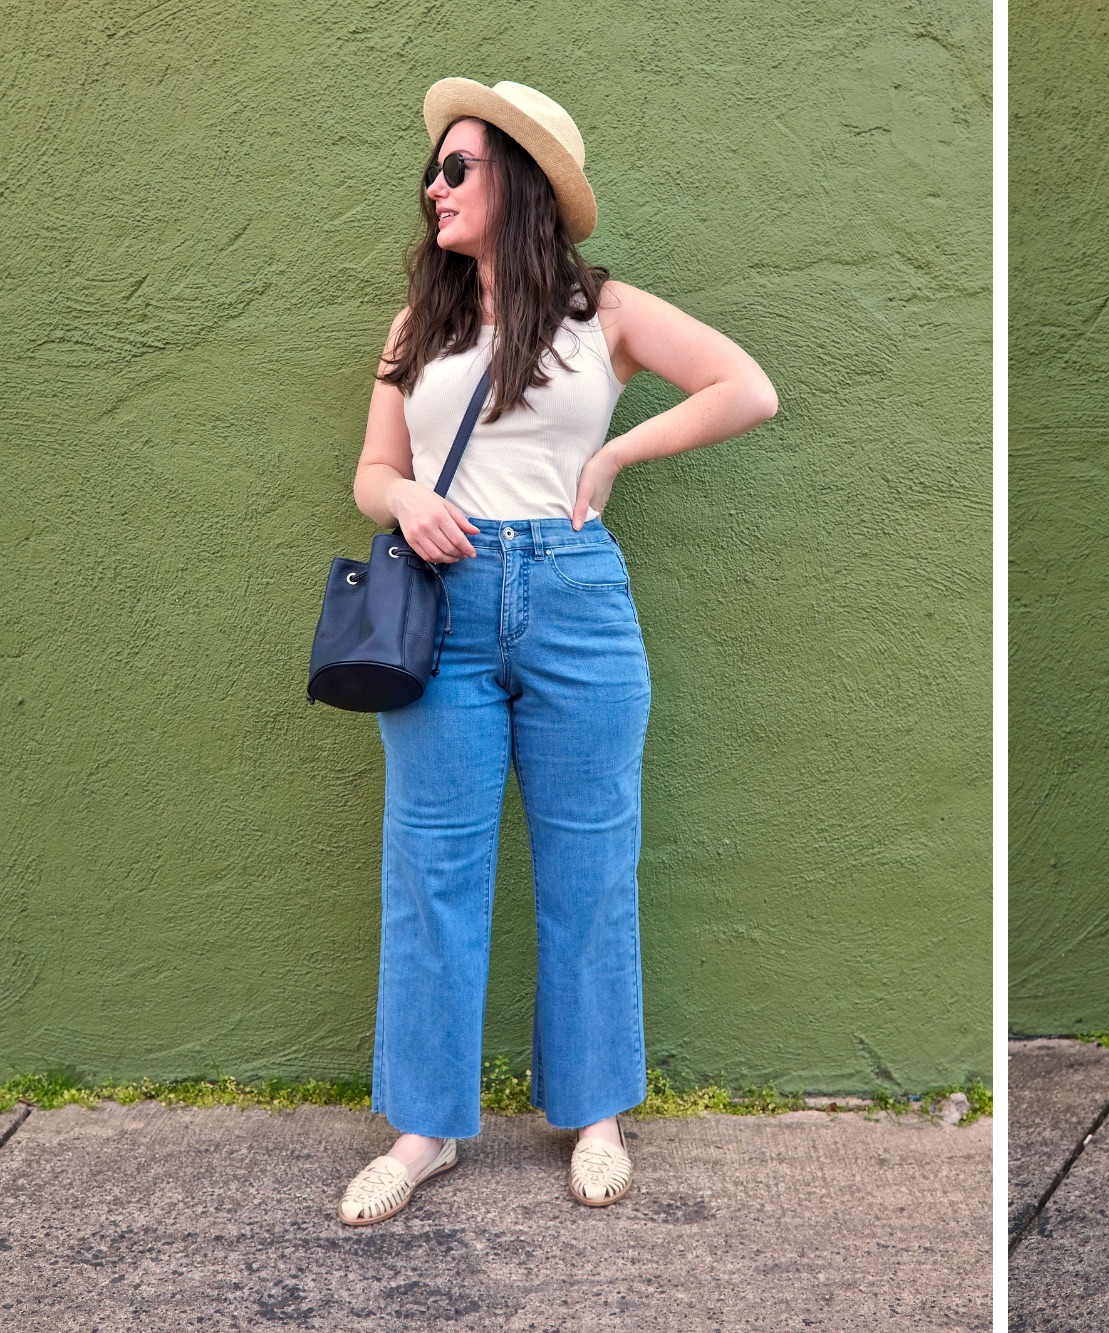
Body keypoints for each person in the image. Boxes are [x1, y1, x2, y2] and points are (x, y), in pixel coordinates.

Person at [335, 79, 778, 1226]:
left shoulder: (605, 310)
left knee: (590, 862)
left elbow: (748, 387)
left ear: (520, 183)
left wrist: (619, 455)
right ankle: (425, 1130)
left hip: (576, 600)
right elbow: (371, 472)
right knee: (433, 866)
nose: (433, 186)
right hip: (444, 602)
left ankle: (594, 1115)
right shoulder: (414, 325)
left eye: (457, 167)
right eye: (431, 169)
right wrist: (404, 508)